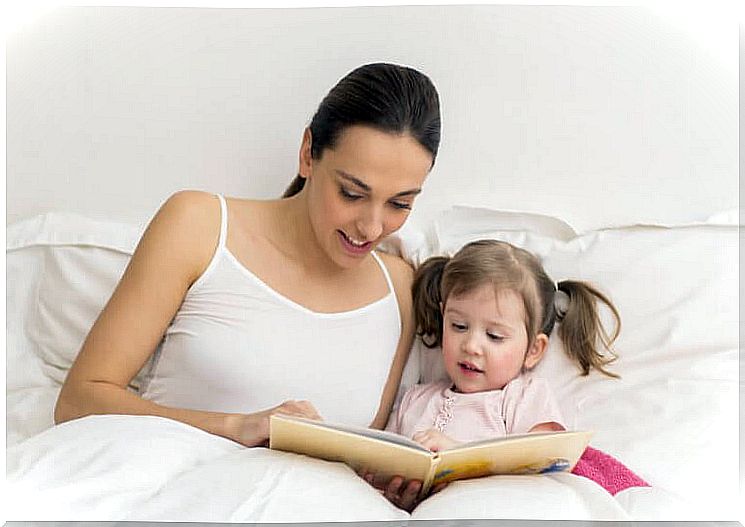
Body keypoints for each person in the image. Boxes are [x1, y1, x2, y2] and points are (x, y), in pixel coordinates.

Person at [53, 62, 440, 513]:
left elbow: (356, 455)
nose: (372, 225)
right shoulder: (198, 225)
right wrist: (236, 426)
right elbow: (79, 400)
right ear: (308, 153)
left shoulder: (399, 287)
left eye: (399, 204)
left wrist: (387, 481)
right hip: (171, 500)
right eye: (352, 193)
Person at [390, 238, 621, 451]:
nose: (471, 346)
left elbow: (545, 460)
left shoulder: (524, 397)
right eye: (459, 326)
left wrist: (457, 453)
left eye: (494, 336)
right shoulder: (414, 400)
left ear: (533, 350)